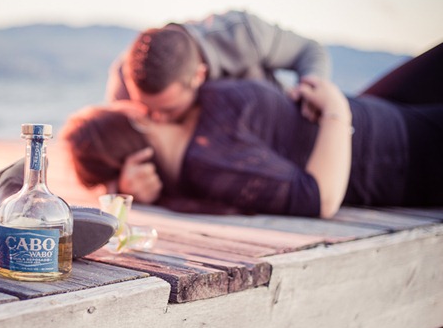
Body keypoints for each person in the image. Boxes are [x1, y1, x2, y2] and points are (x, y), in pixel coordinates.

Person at [61, 38, 443, 219]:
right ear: (135, 118)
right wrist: (337, 114)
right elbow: (318, 200)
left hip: (380, 113)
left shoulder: (196, 106)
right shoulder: (211, 165)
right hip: (405, 153)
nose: (129, 98)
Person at [106, 10, 332, 204]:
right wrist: (120, 183)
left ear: (199, 75)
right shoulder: (125, 77)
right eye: (145, 109)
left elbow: (309, 50)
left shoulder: (242, 33)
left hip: (291, 149)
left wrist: (311, 88)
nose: (156, 120)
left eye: (168, 110)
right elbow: (108, 148)